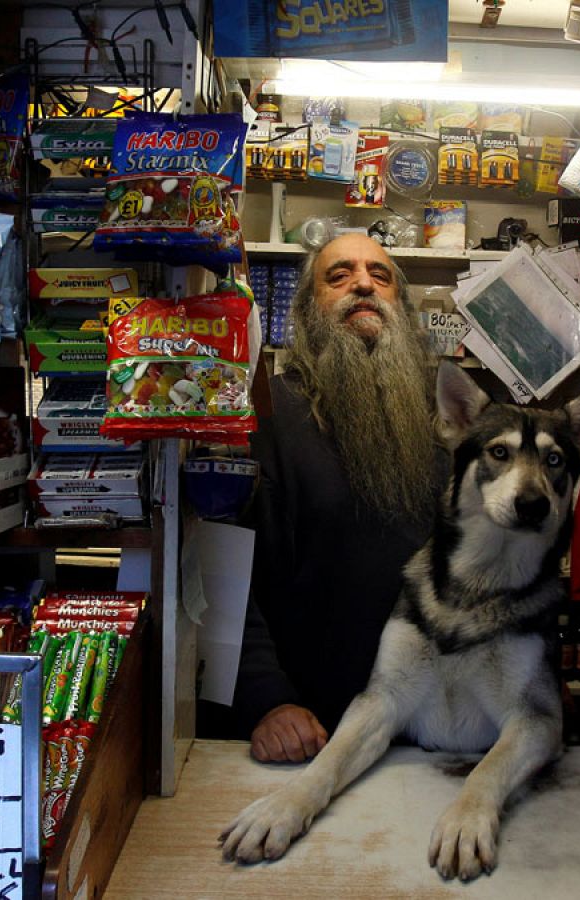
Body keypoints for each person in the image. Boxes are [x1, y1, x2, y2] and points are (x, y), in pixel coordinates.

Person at [234, 233, 448, 763]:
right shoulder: (268, 417)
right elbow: (229, 576)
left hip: (429, 728)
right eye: (339, 275)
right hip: (311, 729)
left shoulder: (444, 420)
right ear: (308, 310)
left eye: (380, 275)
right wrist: (268, 699)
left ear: (401, 304)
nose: (363, 284)